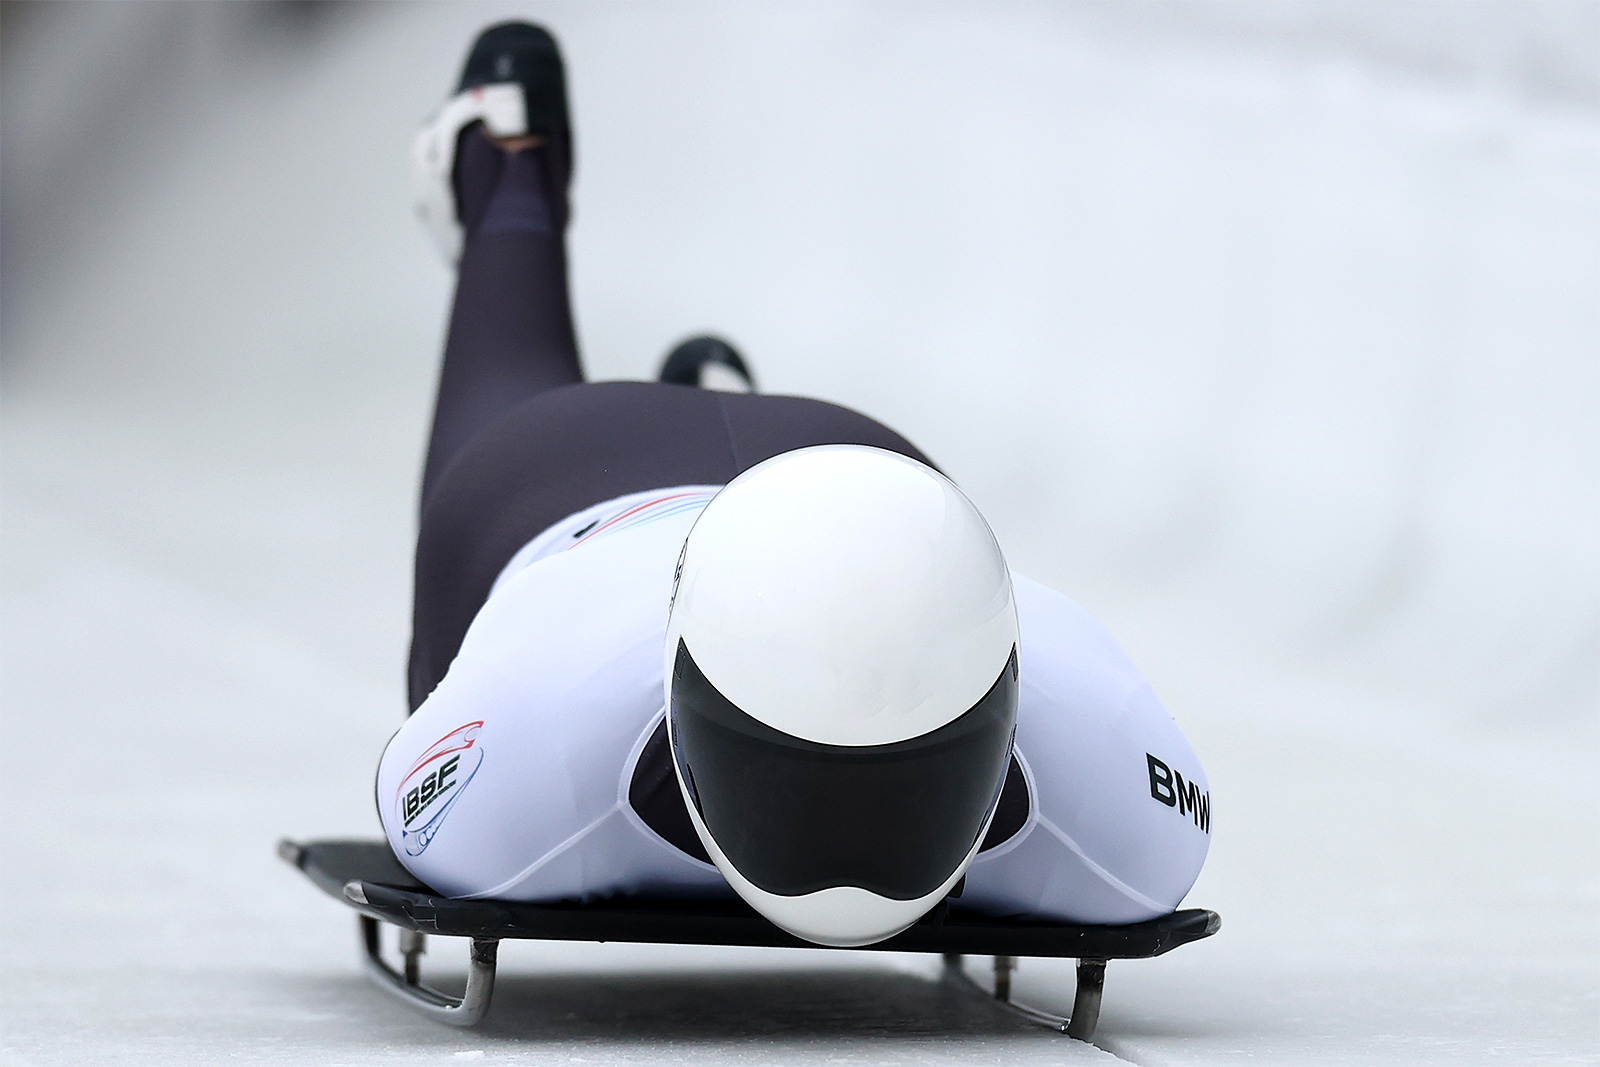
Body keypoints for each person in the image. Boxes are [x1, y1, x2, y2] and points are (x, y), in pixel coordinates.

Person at [377, 22, 1210, 946]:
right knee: (493, 431)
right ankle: (507, 176)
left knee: (502, 401)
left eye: (909, 780)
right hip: (698, 475)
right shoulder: (1122, 822)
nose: (853, 840)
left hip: (639, 469)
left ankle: (510, 161)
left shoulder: (518, 794)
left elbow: (414, 788)